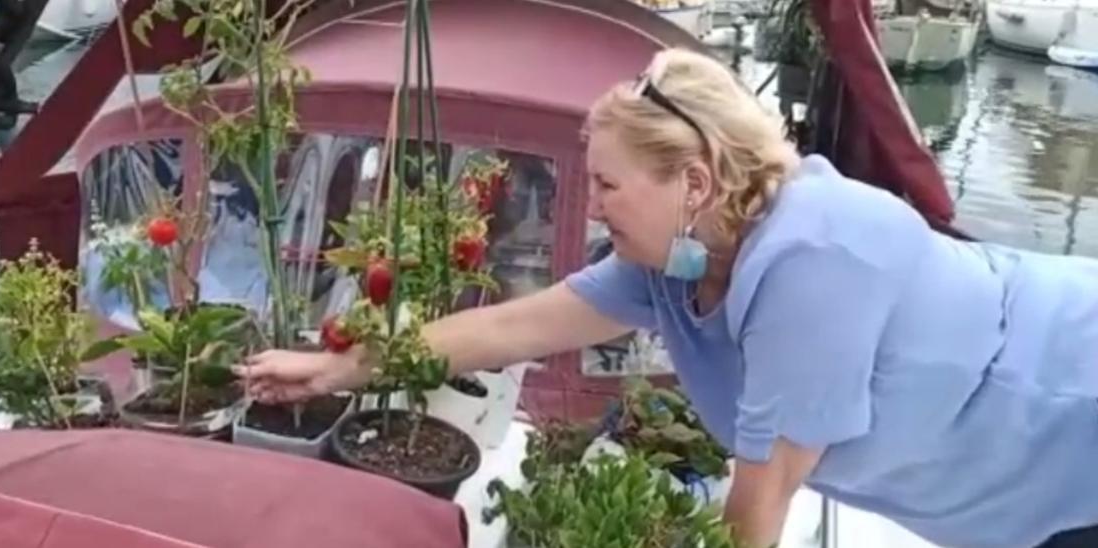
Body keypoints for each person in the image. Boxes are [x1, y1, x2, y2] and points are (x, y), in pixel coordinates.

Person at [234, 47, 1098, 548]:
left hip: (1069, 427)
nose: (595, 205)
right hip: (998, 495)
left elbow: (756, 513)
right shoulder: (676, 260)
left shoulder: (816, 261)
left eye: (608, 185)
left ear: (693, 182)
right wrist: (336, 368)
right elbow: (508, 326)